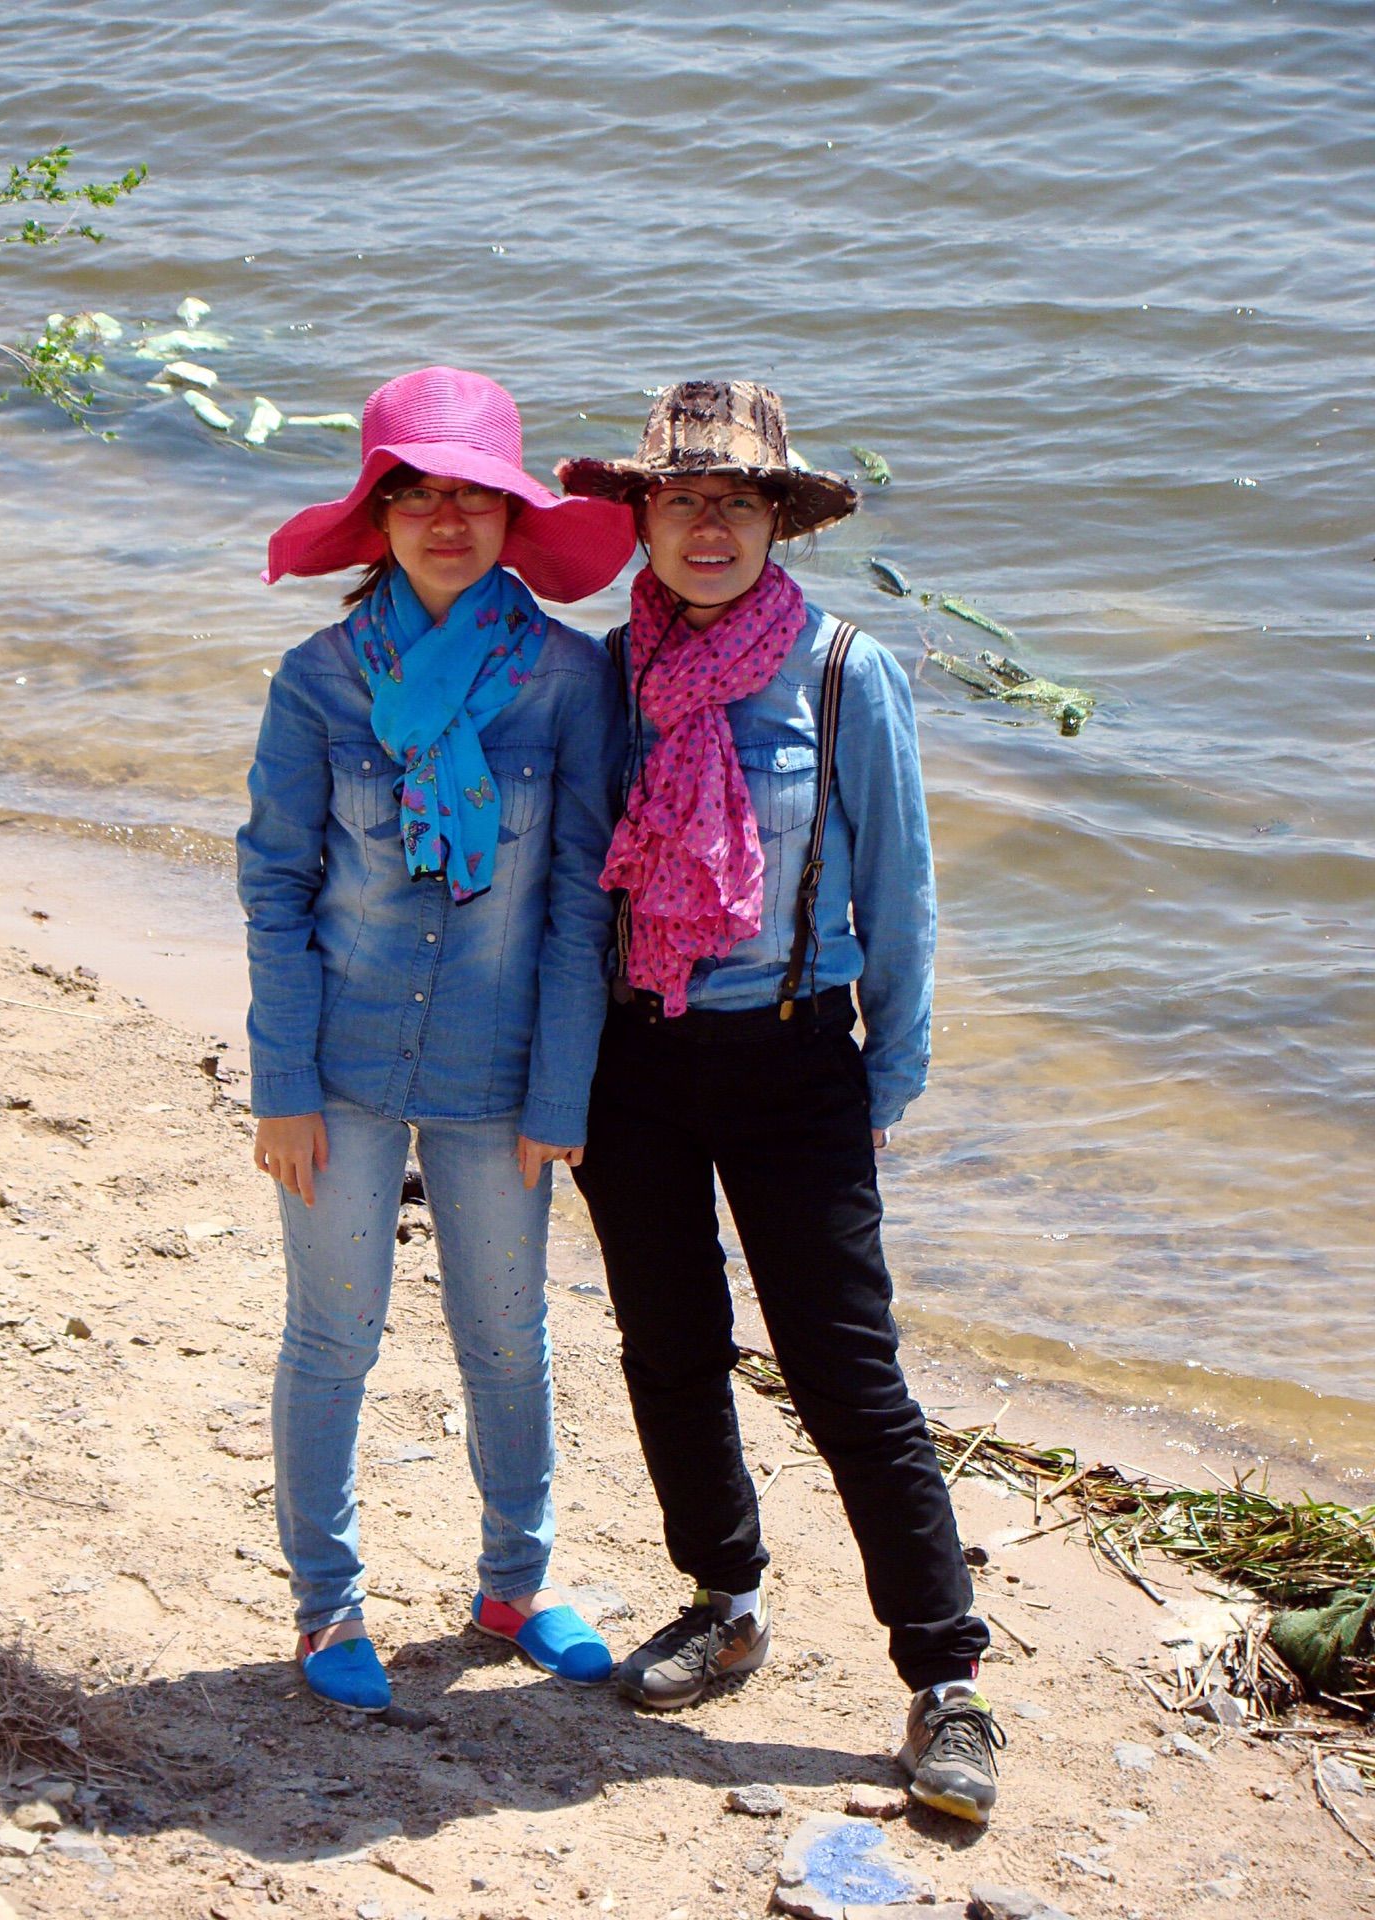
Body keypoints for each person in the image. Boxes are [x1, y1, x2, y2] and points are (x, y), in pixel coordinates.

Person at [555, 381, 1003, 1823]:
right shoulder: (606, 672)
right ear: (642, 514)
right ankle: (725, 1596)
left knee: (847, 1375)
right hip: (635, 1061)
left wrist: (891, 1070)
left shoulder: (840, 671)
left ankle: (945, 1681)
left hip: (799, 1059)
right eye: (681, 498)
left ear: (775, 521)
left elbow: (905, 889)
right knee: (669, 1349)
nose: (706, 524)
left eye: (736, 501)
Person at [238, 365, 635, 1712]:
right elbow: (276, 885)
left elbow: (584, 899)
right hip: (336, 1065)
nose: (449, 521)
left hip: (496, 1068)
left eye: (476, 497)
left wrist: (561, 1090)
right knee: (332, 1335)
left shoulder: (570, 685)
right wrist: (279, 1084)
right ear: (382, 518)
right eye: (420, 496)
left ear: (514, 519)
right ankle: (325, 1607)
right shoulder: (321, 682)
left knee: (508, 1336)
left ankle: (516, 1581)